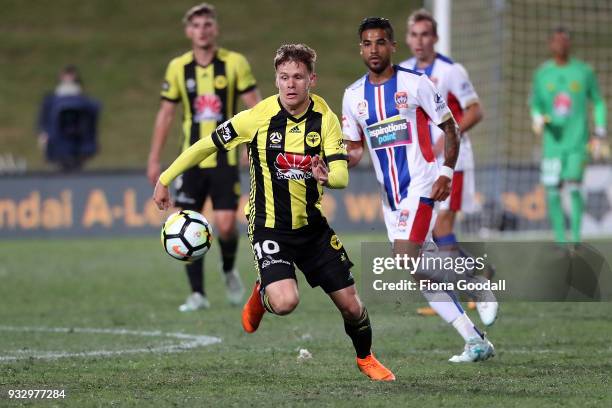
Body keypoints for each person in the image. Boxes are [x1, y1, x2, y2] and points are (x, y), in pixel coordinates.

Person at [154, 43, 395, 381]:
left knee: (352, 306)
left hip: (312, 230)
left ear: (312, 79)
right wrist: (166, 177)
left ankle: (365, 357)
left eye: (298, 77)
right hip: (269, 227)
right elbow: (207, 143)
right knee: (285, 302)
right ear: (276, 79)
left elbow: (340, 174)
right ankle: (262, 293)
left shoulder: (324, 118)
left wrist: (329, 177)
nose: (291, 84)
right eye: (284, 77)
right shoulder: (258, 117)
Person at [343, 17, 494, 363]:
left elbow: (451, 128)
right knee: (418, 271)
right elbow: (354, 149)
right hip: (390, 198)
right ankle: (475, 340)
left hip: (423, 184)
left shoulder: (415, 83)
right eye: (367, 43)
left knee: (406, 255)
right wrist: (333, 162)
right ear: (361, 49)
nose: (374, 49)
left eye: (380, 42)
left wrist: (445, 172)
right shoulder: (352, 96)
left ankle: (476, 282)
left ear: (393, 47)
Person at [148, 3, 261, 311]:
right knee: (184, 222)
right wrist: (155, 160)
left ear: (216, 29)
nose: (202, 30)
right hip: (191, 160)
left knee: (225, 226)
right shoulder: (178, 68)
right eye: (196, 25)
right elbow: (166, 114)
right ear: (188, 31)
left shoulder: (235, 63)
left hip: (224, 160)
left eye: (207, 24)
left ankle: (227, 269)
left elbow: (256, 109)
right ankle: (197, 293)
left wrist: (253, 150)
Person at [400, 9, 498, 326]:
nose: (419, 41)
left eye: (425, 34)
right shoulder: (403, 73)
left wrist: (449, 135)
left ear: (436, 38)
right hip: (422, 165)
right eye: (414, 35)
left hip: (454, 160)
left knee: (441, 228)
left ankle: (473, 285)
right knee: (430, 233)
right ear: (407, 38)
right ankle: (474, 277)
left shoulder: (451, 71)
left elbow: (476, 110)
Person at [531, 27, 607, 244]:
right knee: (553, 191)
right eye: (556, 41)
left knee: (574, 186)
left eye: (565, 40)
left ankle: (575, 239)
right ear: (550, 44)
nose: (561, 44)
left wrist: (600, 129)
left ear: (570, 44)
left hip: (577, 142)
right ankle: (560, 240)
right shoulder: (542, 74)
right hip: (552, 144)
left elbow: (599, 101)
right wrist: (537, 117)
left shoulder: (583, 71)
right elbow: (535, 104)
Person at [37, 65, 100, 172]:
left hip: (78, 143)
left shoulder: (85, 101)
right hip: (58, 142)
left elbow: (90, 123)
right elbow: (44, 119)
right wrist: (43, 134)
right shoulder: (51, 100)